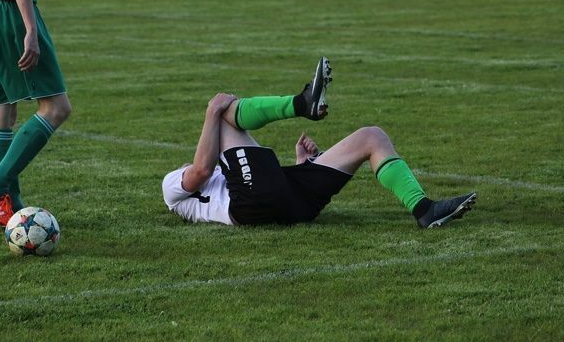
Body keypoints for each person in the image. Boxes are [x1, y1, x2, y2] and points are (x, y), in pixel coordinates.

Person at [162, 57, 476, 228]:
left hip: (294, 204)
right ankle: (302, 104)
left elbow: (260, 183)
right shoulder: (170, 187)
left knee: (372, 137)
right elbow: (201, 170)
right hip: (248, 206)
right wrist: (210, 111)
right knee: (225, 114)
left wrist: (301, 165)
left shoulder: (229, 174)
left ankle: (424, 210)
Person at [0, 0, 71, 226]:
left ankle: (11, 208)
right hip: (9, 12)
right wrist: (31, 29)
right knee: (57, 108)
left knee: (1, 108)